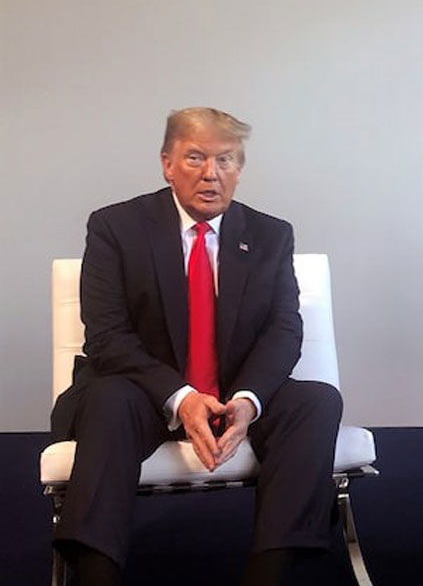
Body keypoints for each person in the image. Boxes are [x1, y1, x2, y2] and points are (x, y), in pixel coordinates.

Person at [49, 107, 343, 586]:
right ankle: (96, 575)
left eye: (225, 160)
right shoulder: (116, 228)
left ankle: (271, 572)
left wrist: (248, 401)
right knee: (107, 399)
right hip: (144, 395)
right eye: (195, 158)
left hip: (230, 395)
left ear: (240, 169)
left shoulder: (270, 235)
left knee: (316, 401)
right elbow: (106, 337)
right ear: (167, 163)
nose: (212, 174)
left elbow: (283, 330)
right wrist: (181, 398)